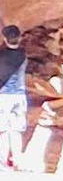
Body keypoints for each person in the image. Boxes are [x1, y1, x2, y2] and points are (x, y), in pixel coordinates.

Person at [0, 25, 27, 170]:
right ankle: (17, 161)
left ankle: (3, 163)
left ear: (4, 38)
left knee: (3, 130)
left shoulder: (2, 55)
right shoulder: (23, 55)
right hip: (19, 96)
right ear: (20, 38)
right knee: (16, 130)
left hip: (3, 96)